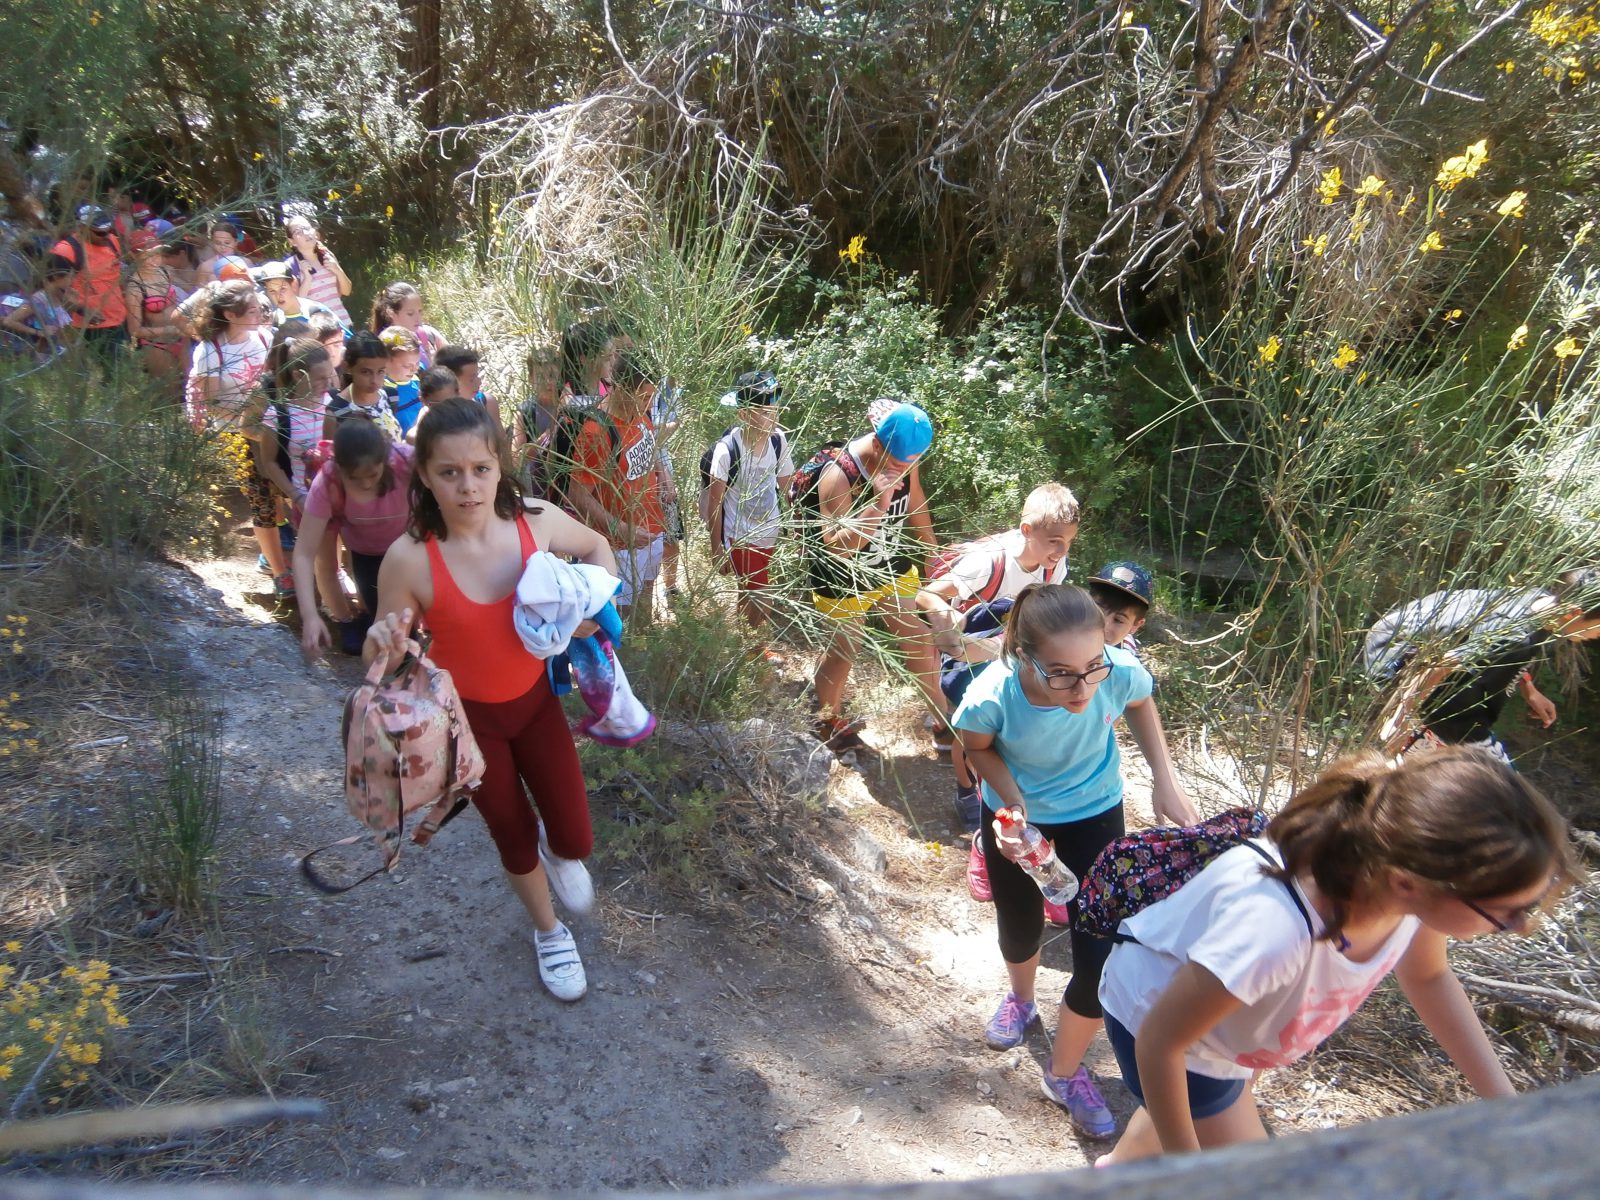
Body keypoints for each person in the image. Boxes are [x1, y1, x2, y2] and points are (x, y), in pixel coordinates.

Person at [1096, 747, 1581, 1165]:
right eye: (1506, 911)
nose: (1520, 926)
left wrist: (1506, 1106)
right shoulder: (1276, 932)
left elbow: (1429, 978)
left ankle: (1116, 1172)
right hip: (1163, 1021)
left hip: (1228, 1020)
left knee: (1191, 1114)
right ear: (1409, 881)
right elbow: (1160, 1042)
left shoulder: (1402, 889)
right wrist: (1189, 1173)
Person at [365, 398, 617, 1001]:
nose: (468, 486)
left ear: (500, 465)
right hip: (470, 727)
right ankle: (549, 932)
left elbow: (598, 549)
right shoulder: (409, 558)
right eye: (449, 472)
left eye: (480, 469)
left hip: (536, 706)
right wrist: (383, 644)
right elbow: (385, 660)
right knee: (511, 831)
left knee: (575, 840)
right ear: (425, 476)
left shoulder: (536, 521)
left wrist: (592, 607)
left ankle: (558, 855)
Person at [954, 583, 1198, 1140]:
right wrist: (1013, 805)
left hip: (1096, 813)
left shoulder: (1117, 671)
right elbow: (977, 747)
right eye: (1062, 673)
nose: (1083, 687)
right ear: (1025, 656)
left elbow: (1139, 700)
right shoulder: (992, 695)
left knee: (1099, 955)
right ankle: (1021, 1001)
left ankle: (1062, 1074)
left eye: (1093, 667)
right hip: (1018, 822)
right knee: (1020, 926)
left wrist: (1164, 778)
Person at [916, 483, 1078, 831]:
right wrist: (945, 619)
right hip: (971, 654)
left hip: (1010, 651)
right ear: (1027, 531)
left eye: (1068, 541)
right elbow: (927, 595)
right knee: (972, 729)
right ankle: (965, 791)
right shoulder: (989, 563)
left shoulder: (1053, 564)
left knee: (1001, 727)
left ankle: (994, 783)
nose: (1062, 550)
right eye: (1055, 541)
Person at [803, 400, 939, 751]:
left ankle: (944, 720)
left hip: (888, 562)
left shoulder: (904, 456)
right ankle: (827, 719)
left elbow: (914, 496)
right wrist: (879, 503)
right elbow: (837, 547)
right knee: (845, 649)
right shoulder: (839, 474)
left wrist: (931, 549)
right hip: (841, 575)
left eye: (911, 463)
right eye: (899, 464)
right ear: (877, 444)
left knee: (919, 638)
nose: (905, 470)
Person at [1366, 570, 1600, 761]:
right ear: (1573, 613)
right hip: (1407, 679)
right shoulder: (1515, 637)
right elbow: (1439, 665)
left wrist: (1529, 688)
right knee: (1502, 798)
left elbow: (1484, 645)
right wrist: (1401, 722)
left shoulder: (1539, 601)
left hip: (1406, 650)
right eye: (1599, 627)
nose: (1597, 635)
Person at [185, 278, 286, 591]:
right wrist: (253, 419)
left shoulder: (265, 337)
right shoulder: (210, 351)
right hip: (235, 436)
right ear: (230, 314)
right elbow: (214, 404)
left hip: (271, 429)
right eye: (252, 309)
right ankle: (281, 574)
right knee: (262, 499)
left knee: (282, 492)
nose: (260, 313)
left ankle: (276, 551)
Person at [295, 415, 412, 656]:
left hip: (410, 549)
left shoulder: (407, 462)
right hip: (365, 553)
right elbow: (304, 553)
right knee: (380, 613)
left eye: (373, 474)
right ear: (339, 468)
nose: (366, 484)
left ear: (385, 460)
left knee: (409, 617)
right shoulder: (327, 483)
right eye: (354, 478)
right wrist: (310, 616)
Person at [567, 354, 667, 625]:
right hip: (619, 547)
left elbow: (649, 444)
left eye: (653, 396)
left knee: (644, 605)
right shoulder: (596, 432)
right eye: (644, 397)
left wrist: (665, 477)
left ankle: (645, 642)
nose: (650, 404)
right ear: (621, 388)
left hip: (650, 531)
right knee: (620, 620)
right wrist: (621, 529)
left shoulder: (641, 413)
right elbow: (578, 494)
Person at [702, 371, 795, 662]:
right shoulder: (727, 450)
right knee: (762, 596)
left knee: (748, 591)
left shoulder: (778, 442)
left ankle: (743, 648)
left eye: (774, 409)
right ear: (744, 414)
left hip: (768, 532)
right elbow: (715, 504)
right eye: (764, 411)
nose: (772, 417)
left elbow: (788, 487)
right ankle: (755, 653)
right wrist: (716, 548)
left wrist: (798, 523)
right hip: (739, 535)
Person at [50, 205, 127, 361]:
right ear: (82, 228)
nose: (106, 235)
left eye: (108, 230)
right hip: (87, 327)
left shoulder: (112, 241)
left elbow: (116, 275)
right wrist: (82, 310)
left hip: (119, 320)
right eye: (100, 232)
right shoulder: (66, 251)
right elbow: (54, 290)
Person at [122, 229, 187, 379]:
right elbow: (135, 331)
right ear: (134, 256)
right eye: (147, 256)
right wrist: (169, 330)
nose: (154, 260)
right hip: (157, 345)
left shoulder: (165, 271)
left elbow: (189, 289)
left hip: (181, 337)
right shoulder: (135, 288)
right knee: (168, 388)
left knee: (189, 385)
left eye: (157, 254)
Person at [324, 330, 402, 442]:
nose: (374, 380)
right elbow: (330, 451)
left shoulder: (391, 396)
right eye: (366, 372)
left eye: (380, 371)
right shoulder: (337, 412)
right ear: (348, 367)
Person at [0, 253, 75, 361]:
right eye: (70, 277)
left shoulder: (60, 295)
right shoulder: (37, 301)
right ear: (56, 277)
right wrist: (38, 332)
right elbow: (9, 321)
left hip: (49, 349)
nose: (72, 280)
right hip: (25, 348)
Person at [283, 214, 353, 328]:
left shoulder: (327, 255)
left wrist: (338, 270)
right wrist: (307, 279)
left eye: (307, 228)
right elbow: (296, 305)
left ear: (315, 232)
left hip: (344, 324)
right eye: (298, 232)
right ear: (292, 241)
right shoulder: (291, 266)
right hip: (319, 330)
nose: (306, 233)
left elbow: (346, 291)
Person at [369, 281, 445, 368]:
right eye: (410, 313)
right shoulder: (382, 348)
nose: (418, 318)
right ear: (391, 312)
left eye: (420, 311)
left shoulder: (427, 334)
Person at [1087, 561, 1153, 656]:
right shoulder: (1065, 629)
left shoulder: (1125, 658)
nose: (1103, 627)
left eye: (1118, 620)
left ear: (1136, 625)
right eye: (1097, 611)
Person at [256, 260, 338, 328]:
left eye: (282, 289)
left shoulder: (316, 311)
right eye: (272, 291)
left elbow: (342, 338)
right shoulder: (274, 323)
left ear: (293, 285)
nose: (278, 295)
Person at [380, 325, 425, 434]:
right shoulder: (383, 393)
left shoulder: (419, 380)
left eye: (417, 363)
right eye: (407, 366)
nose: (414, 369)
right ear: (386, 362)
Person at [406, 366, 463, 440]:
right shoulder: (416, 437)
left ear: (458, 394)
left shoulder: (471, 423)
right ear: (422, 399)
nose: (446, 410)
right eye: (437, 405)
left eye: (451, 402)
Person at [197, 218, 251, 283]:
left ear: (235, 242)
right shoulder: (205, 267)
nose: (223, 247)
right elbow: (200, 288)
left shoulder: (246, 262)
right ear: (212, 243)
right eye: (218, 243)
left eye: (227, 243)